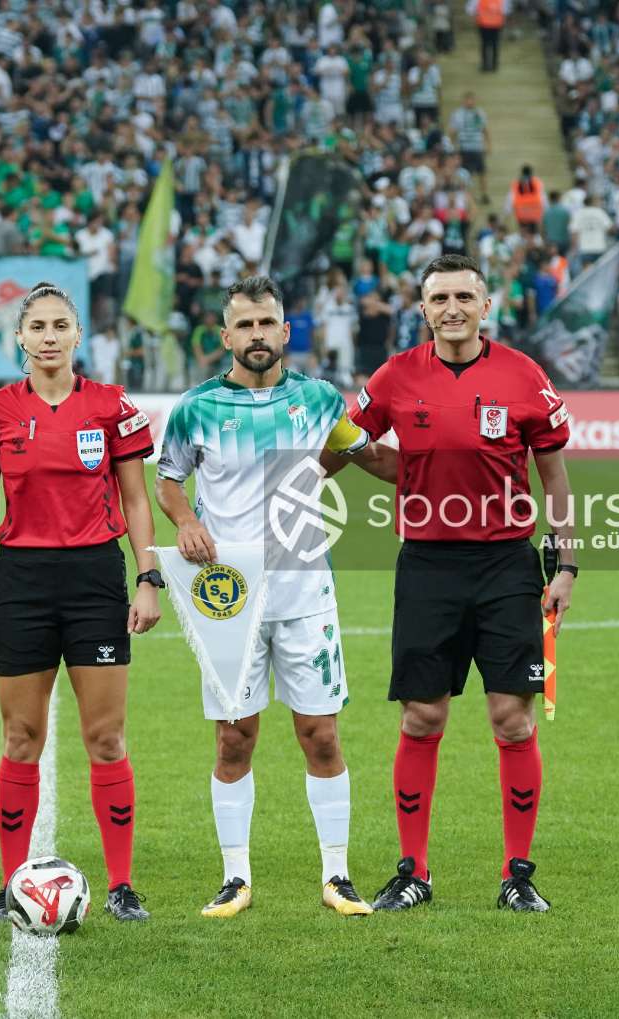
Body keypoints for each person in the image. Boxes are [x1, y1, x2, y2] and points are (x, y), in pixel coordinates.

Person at [155, 276, 396, 920]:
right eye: (246, 325)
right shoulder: (195, 407)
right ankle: (236, 878)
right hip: (228, 597)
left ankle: (338, 876)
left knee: (320, 734)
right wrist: (184, 521)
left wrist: (450, 462)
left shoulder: (318, 399)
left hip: (305, 587)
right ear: (226, 336)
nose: (258, 336)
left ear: (286, 332)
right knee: (234, 738)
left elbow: (366, 455)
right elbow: (169, 482)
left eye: (269, 324)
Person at [349, 254, 576, 913]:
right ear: (421, 309)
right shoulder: (395, 375)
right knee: (423, 715)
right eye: (438, 297)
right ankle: (413, 871)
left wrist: (566, 564)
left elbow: (554, 476)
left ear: (485, 306)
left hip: (507, 563)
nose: (452, 306)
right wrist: (366, 455)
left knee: (512, 719)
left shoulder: (524, 376)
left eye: (463, 296)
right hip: (426, 564)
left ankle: (517, 874)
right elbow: (350, 443)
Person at [0, 281, 162, 923]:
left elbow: (135, 500)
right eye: (37, 326)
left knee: (105, 736)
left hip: (95, 579)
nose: (48, 336)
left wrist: (147, 577)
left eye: (59, 325)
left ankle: (122, 884)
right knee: (21, 737)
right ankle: (9, 882)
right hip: (21, 581)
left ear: (78, 336)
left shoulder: (110, 406)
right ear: (19, 338)